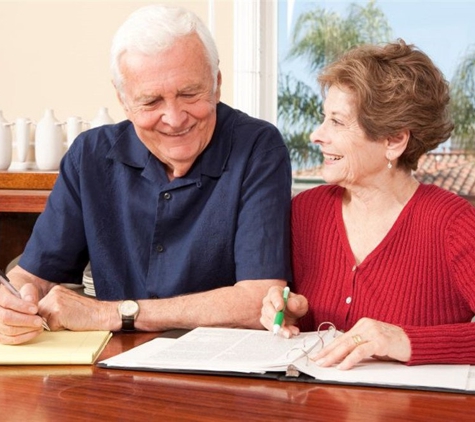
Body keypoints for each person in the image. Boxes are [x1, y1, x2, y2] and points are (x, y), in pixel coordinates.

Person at [0, 5, 292, 345]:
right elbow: (31, 275)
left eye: (189, 94)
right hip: (113, 371)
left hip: (221, 373)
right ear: (124, 101)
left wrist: (114, 313)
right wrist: (15, 302)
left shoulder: (258, 146)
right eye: (151, 101)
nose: (174, 117)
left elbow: (261, 298)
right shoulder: (89, 155)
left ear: (217, 83)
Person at [261, 39, 475, 369]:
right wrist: (288, 308)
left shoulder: (453, 224)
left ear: (394, 140)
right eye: (323, 118)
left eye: (337, 121)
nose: (316, 135)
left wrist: (403, 340)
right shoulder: (305, 211)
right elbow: (294, 314)